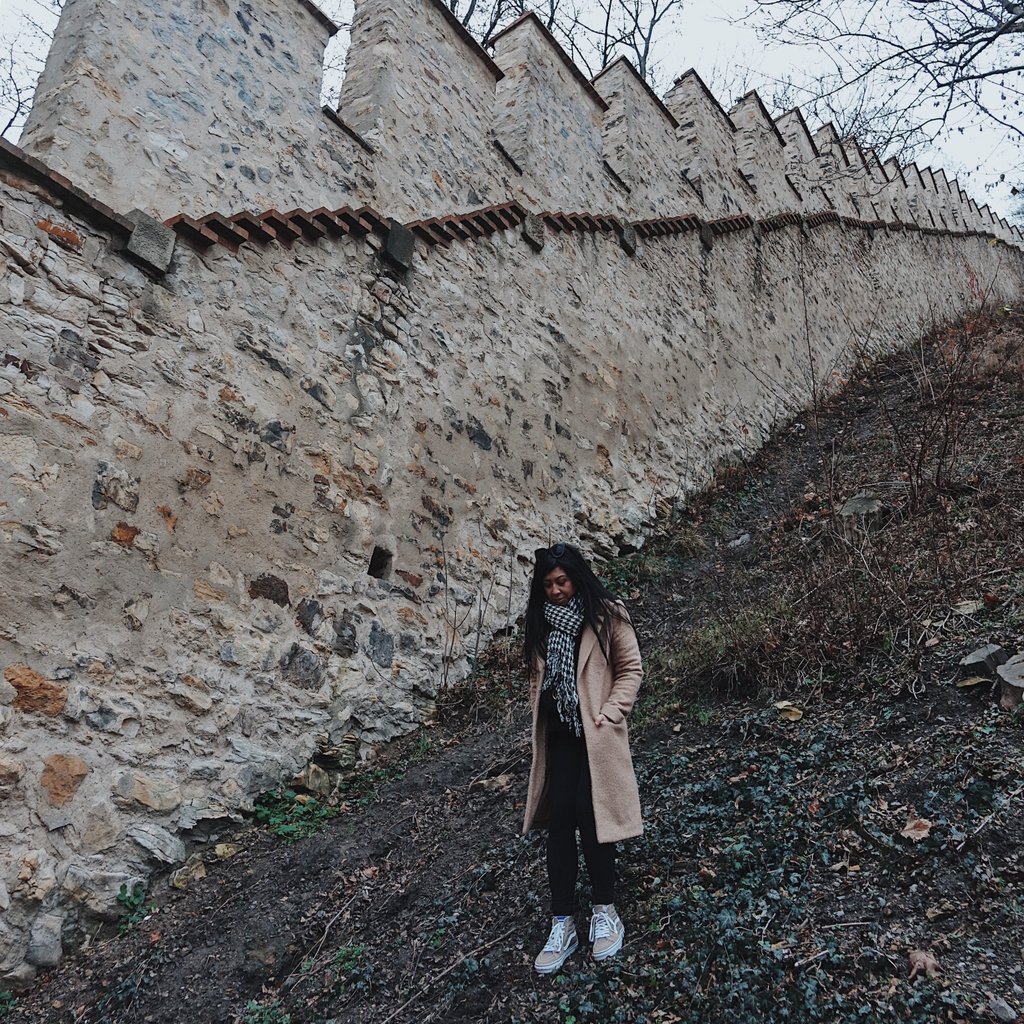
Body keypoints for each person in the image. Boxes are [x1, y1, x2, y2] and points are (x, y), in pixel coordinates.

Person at [522, 542, 644, 974]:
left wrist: (609, 714)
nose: (555, 591)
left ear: (577, 577)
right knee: (559, 824)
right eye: (548, 584)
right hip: (557, 737)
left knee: (590, 815)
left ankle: (605, 912)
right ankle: (562, 923)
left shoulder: (607, 615)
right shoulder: (541, 624)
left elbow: (630, 670)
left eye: (562, 581)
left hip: (594, 734)